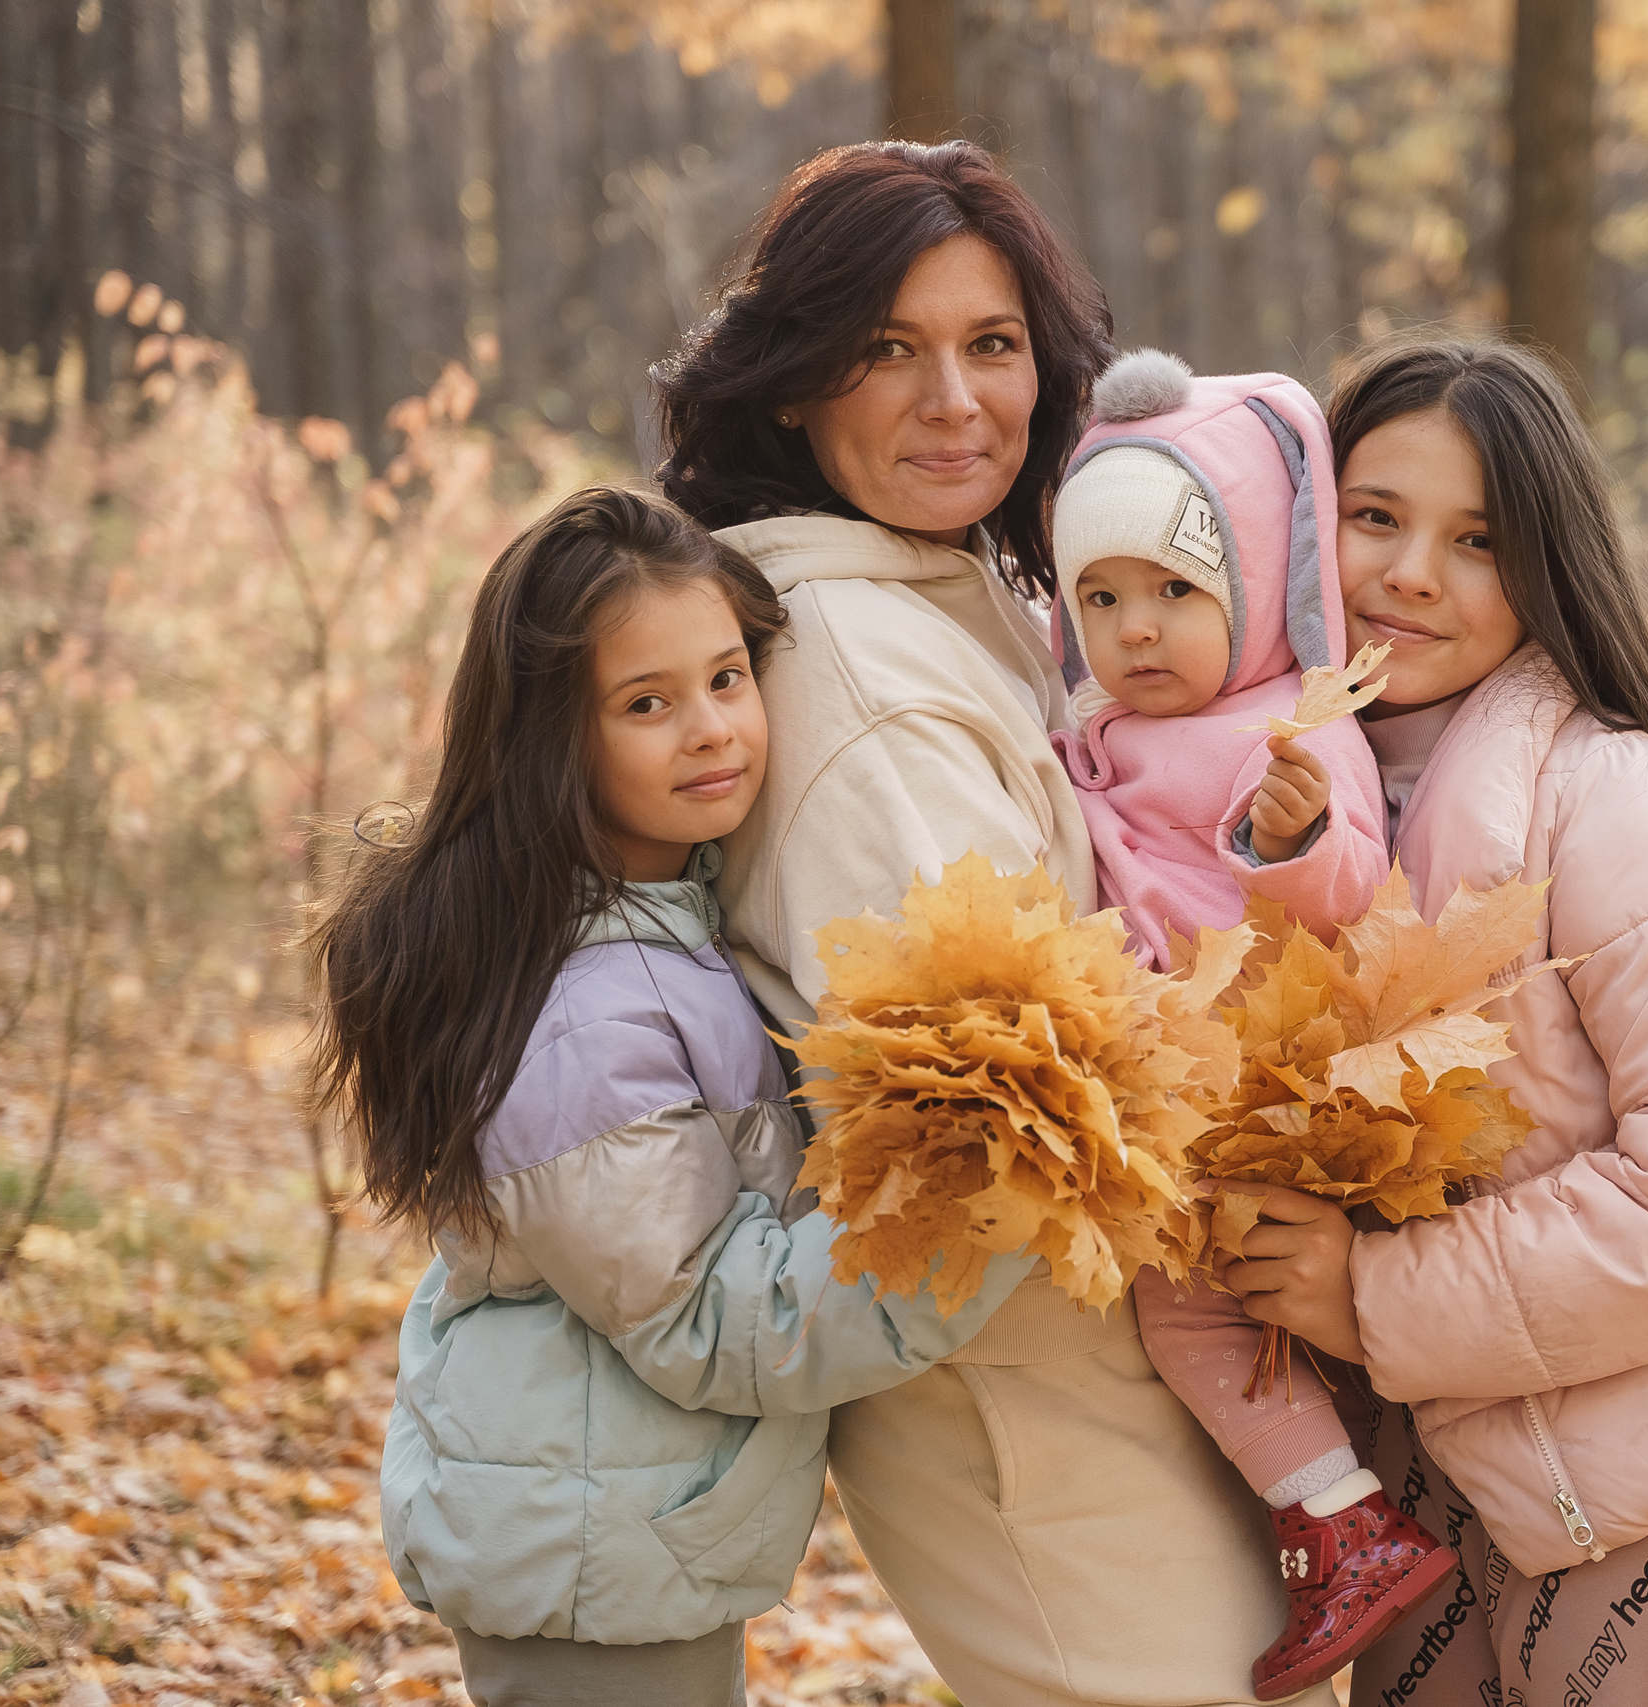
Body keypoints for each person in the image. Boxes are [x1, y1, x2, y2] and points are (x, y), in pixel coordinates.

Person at [654, 141, 1340, 1707]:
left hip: (1118, 1335)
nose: (954, 399)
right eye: (885, 349)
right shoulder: (854, 667)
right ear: (790, 386)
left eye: (992, 343)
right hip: (1021, 1362)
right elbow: (1002, 1084)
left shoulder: (955, 600)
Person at [309, 488, 1031, 1707]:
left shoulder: (657, 927)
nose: (712, 730)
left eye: (728, 677)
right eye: (647, 704)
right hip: (589, 1565)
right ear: (552, 739)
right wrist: (984, 1212)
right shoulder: (582, 1015)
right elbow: (709, 1316)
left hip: (611, 1531)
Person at [1213, 338, 1648, 1705]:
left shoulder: (1614, 794)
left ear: (1546, 564)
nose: (1409, 574)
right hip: (1431, 1483)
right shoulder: (1279, 802)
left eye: (1478, 540)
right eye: (1375, 516)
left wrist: (1375, 1296)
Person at [1047, 346, 1452, 1697]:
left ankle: (1341, 1524)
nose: (1139, 628)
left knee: (1195, 1324)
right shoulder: (1111, 724)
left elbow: (1351, 884)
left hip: (1253, 1073)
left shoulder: (1285, 725)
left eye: (1175, 588)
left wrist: (1292, 839)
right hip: (1172, 1075)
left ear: (1264, 581)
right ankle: (1333, 1513)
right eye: (1102, 597)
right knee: (1217, 1323)